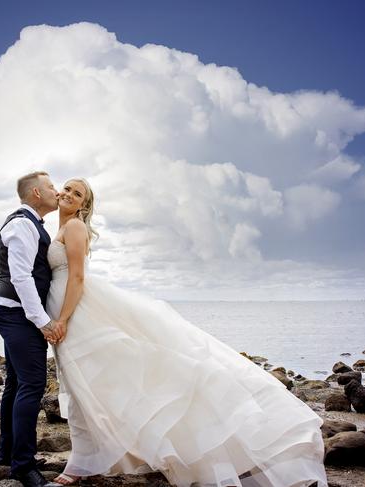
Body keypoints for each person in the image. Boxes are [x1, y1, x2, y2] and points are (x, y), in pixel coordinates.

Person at [45, 178, 328, 487]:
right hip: (70, 314)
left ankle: (84, 462)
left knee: (90, 385)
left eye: (78, 193)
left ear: (84, 205)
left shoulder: (74, 227)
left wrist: (63, 319)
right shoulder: (60, 227)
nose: (70, 195)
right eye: (68, 188)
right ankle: (93, 457)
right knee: (85, 386)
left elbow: (77, 277)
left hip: (79, 315)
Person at [0, 171, 66, 487]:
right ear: (36, 192)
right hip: (18, 316)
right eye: (51, 186)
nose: (56, 190)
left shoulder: (29, 223)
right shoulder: (23, 225)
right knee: (32, 385)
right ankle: (23, 467)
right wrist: (44, 322)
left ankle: (8, 453)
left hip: (12, 313)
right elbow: (21, 278)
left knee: (15, 384)